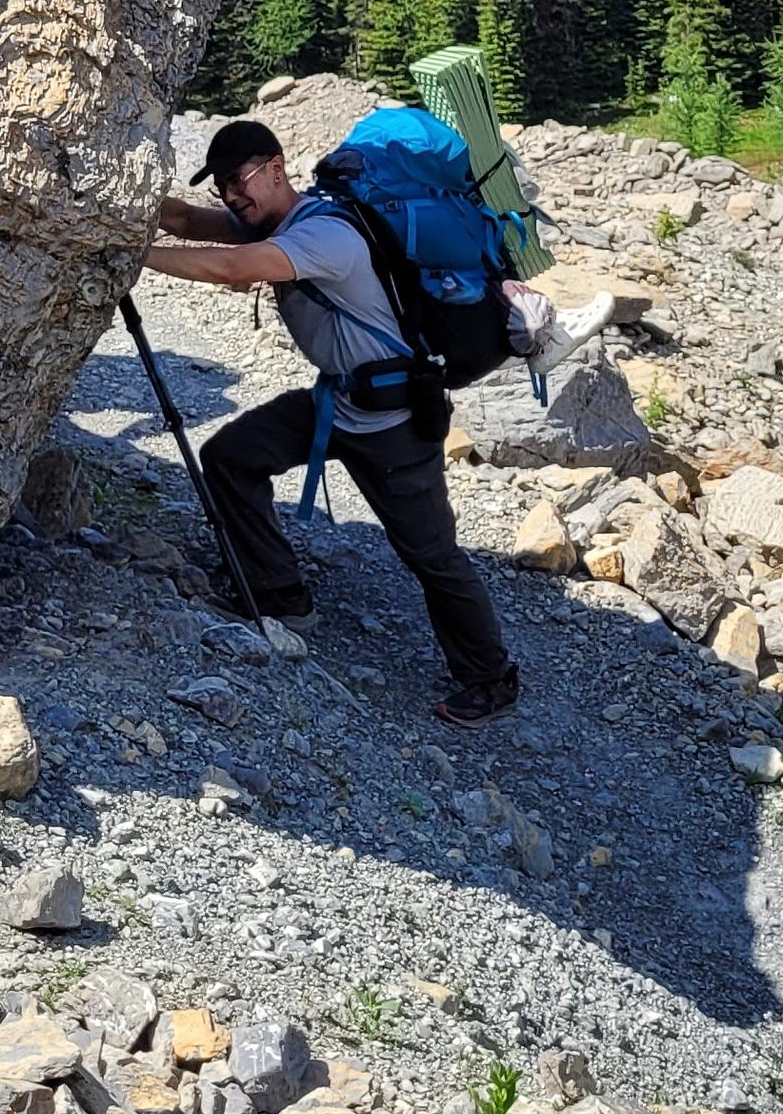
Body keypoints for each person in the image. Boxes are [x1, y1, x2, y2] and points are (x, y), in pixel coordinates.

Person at [143, 115, 521, 725]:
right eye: (223, 189)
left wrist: (132, 257)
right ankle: (279, 595)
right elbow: (187, 221)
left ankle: (490, 676)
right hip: (336, 403)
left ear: (275, 168)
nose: (233, 199)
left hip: (390, 421)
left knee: (431, 555)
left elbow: (236, 268)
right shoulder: (279, 219)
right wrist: (108, 210)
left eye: (240, 182)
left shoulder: (325, 234)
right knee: (231, 458)